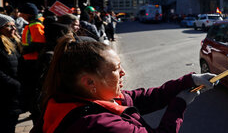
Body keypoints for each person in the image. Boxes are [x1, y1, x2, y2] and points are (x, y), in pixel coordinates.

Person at [33, 36, 217, 132]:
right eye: (116, 69)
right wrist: (179, 104)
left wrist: (188, 81)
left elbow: (147, 97)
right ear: (89, 82)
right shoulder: (97, 125)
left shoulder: (90, 98)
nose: (123, 73)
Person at [19, 2, 46, 122]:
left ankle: (36, 111)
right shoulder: (30, 24)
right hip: (29, 60)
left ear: (28, 14)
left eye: (22, 13)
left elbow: (39, 43)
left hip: (33, 62)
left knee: (34, 89)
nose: (20, 15)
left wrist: (24, 50)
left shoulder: (35, 25)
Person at [0, 14, 23, 133]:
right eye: (9, 26)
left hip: (13, 96)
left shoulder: (14, 41)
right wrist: (14, 84)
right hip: (4, 95)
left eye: (14, 26)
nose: (14, 29)